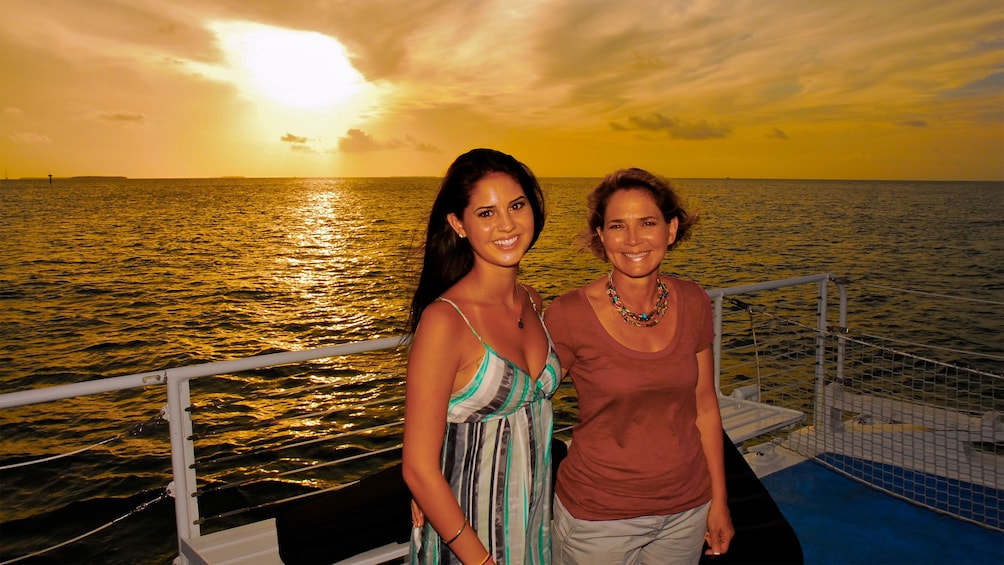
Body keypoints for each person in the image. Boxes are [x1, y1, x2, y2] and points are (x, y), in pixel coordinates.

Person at [543, 168, 734, 564]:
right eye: (617, 225)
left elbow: (705, 406)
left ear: (671, 228)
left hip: (687, 508)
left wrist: (718, 500)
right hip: (599, 518)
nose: (632, 239)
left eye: (647, 223)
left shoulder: (694, 300)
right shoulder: (569, 313)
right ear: (601, 235)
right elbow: (519, 398)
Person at [402, 148, 561, 565]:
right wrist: (481, 560)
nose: (507, 225)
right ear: (458, 223)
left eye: (516, 206)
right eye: (486, 213)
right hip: (471, 543)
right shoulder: (445, 322)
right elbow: (418, 467)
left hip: (535, 526)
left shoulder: (533, 300)